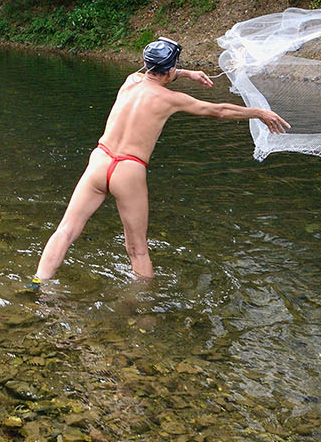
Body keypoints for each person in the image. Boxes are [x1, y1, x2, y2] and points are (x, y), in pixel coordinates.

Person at [32, 38, 289, 283]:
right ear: (170, 70)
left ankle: (38, 283)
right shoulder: (170, 100)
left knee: (65, 230)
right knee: (138, 250)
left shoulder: (129, 81)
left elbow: (159, 72)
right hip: (128, 170)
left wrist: (187, 73)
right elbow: (218, 110)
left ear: (147, 65)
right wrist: (258, 112)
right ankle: (142, 313)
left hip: (100, 160)